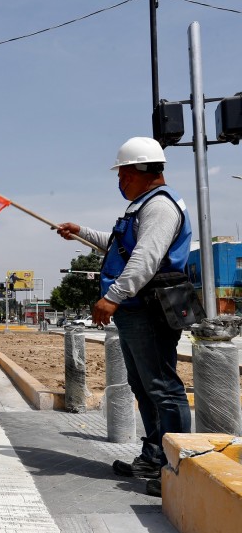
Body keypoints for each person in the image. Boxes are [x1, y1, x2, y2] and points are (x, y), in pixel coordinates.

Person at [57, 136, 193, 498]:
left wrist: (111, 297)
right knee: (145, 387)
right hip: (136, 311)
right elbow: (120, 245)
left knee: (163, 388)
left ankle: (181, 469)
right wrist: (81, 233)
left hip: (148, 311)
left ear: (144, 171)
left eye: (124, 175)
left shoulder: (161, 207)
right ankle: (154, 456)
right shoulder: (142, 206)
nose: (120, 182)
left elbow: (145, 259)